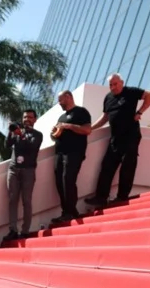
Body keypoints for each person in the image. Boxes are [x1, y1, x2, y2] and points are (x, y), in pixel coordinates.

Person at [85, 74, 150, 208]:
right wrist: (92, 128)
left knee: (128, 166)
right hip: (115, 138)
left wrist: (140, 112)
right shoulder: (108, 97)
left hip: (130, 135)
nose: (113, 87)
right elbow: (105, 116)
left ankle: (122, 198)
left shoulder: (131, 92)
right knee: (107, 166)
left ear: (122, 83)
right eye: (110, 85)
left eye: (115, 84)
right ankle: (101, 197)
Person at [50, 90, 92, 224]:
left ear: (68, 97)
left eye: (60, 100)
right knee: (59, 182)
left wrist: (68, 126)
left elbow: (87, 130)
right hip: (59, 152)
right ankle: (66, 212)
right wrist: (53, 132)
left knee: (68, 179)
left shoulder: (81, 112)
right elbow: (54, 136)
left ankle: (71, 211)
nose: (59, 103)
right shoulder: (61, 117)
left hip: (74, 152)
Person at [4, 109, 43, 241]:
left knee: (26, 201)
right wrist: (11, 132)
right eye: (25, 117)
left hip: (28, 170)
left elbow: (31, 147)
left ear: (35, 119)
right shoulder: (16, 132)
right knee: (12, 200)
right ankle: (13, 230)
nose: (27, 119)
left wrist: (21, 135)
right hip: (14, 169)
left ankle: (25, 230)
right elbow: (7, 144)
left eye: (30, 117)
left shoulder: (38, 135)